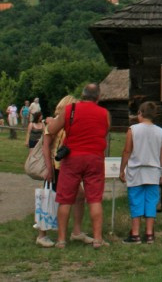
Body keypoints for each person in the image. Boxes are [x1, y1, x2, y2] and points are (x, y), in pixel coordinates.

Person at [46, 83, 111, 249]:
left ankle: (61, 240)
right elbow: (104, 131)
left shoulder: (70, 110)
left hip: (72, 158)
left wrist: (52, 121)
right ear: (98, 97)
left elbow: (52, 129)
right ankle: (97, 239)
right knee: (95, 199)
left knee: (65, 199)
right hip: (95, 158)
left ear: (82, 95)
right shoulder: (105, 113)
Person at [37, 95, 91, 248]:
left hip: (66, 167)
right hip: (56, 168)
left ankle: (76, 231)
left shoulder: (67, 122)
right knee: (50, 197)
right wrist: (49, 168)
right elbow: (46, 146)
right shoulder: (56, 123)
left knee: (79, 196)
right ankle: (42, 234)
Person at [119, 101, 162, 244]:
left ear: (140, 113)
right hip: (153, 171)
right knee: (151, 202)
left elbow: (127, 150)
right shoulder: (160, 131)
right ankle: (150, 234)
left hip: (136, 170)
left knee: (136, 201)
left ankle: (135, 234)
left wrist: (122, 169)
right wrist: (161, 172)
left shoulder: (133, 129)